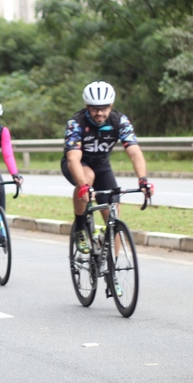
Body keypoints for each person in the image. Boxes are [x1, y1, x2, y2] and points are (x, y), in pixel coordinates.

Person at [62, 81, 153, 254]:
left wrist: (143, 180)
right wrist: (83, 186)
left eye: (104, 108)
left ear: (111, 105)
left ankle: (113, 265)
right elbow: (73, 158)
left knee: (113, 219)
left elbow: (135, 152)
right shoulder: (76, 123)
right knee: (88, 177)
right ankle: (80, 227)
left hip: (102, 167)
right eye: (94, 108)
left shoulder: (119, 121)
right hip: (78, 165)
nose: (99, 113)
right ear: (87, 107)